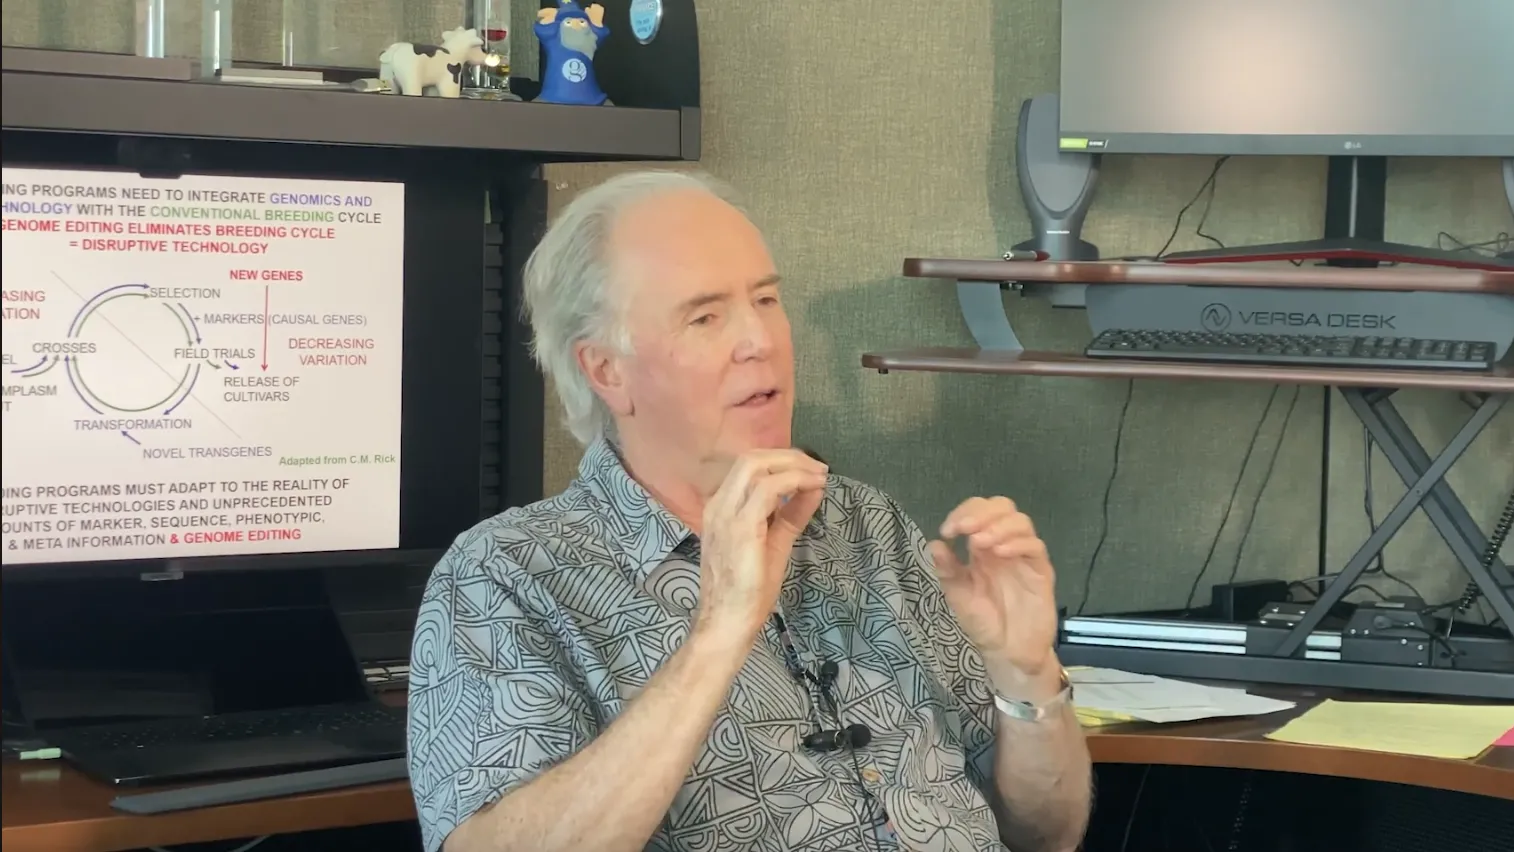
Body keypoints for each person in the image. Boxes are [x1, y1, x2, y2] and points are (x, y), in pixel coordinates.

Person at [406, 171, 1092, 852]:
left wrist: (1024, 673)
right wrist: (719, 630)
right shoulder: (507, 577)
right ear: (607, 371)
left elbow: (1045, 834)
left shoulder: (867, 525)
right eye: (705, 316)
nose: (759, 340)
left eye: (766, 300)